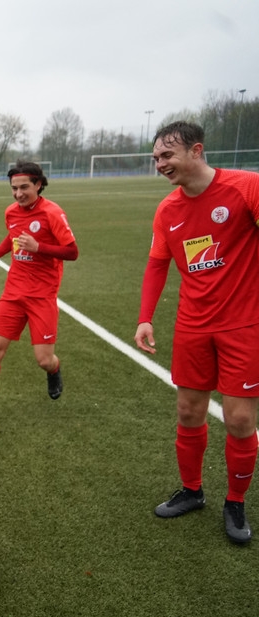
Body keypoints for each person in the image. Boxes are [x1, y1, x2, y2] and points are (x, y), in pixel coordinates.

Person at [135, 121, 259, 545]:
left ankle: (235, 501)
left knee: (240, 419)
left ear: (196, 151)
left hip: (244, 325)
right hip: (193, 325)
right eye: (155, 158)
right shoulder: (167, 209)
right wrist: (145, 316)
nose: (160, 164)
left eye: (167, 156)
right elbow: (156, 264)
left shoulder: (246, 188)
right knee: (188, 412)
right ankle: (192, 490)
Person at [0, 160, 79, 423]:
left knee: (43, 359)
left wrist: (39, 248)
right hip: (14, 291)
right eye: (14, 188)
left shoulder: (52, 213)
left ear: (38, 184)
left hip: (42, 295)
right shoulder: (11, 212)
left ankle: (54, 370)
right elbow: (12, 236)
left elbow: (72, 252)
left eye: (24, 187)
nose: (18, 194)